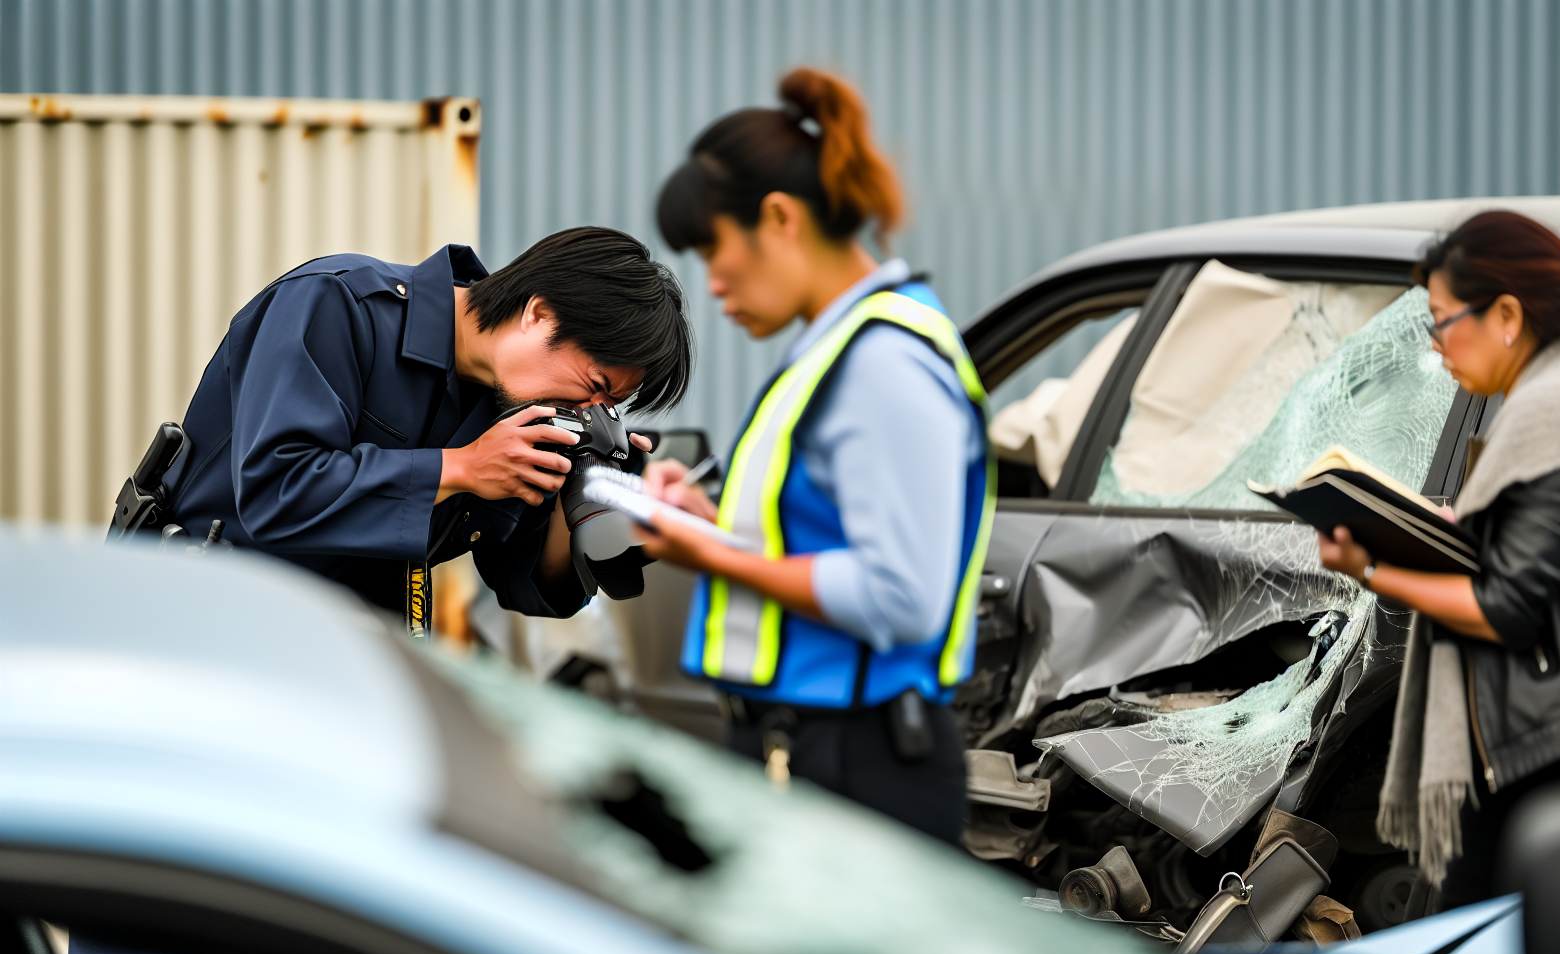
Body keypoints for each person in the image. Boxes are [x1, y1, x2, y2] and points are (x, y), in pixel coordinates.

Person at [1318, 211, 1560, 909]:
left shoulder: (1559, 410)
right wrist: (1443, 529)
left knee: (1483, 945)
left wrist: (1373, 571)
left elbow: (1508, 609)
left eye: (1443, 320)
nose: (1437, 344)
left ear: (1506, 313)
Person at [640, 68, 988, 843]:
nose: (713, 281)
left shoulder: (882, 363)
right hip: (809, 749)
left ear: (777, 218)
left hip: (851, 765)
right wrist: (711, 523)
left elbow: (899, 595)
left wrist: (711, 555)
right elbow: (817, 537)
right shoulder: (839, 350)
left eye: (712, 248)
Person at [164, 227, 691, 624]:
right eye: (595, 383)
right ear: (539, 314)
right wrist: (461, 467)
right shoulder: (338, 305)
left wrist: (592, 496)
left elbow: (522, 581)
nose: (592, 408)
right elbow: (276, 490)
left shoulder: (514, 410)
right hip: (208, 629)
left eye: (612, 404)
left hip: (354, 660)